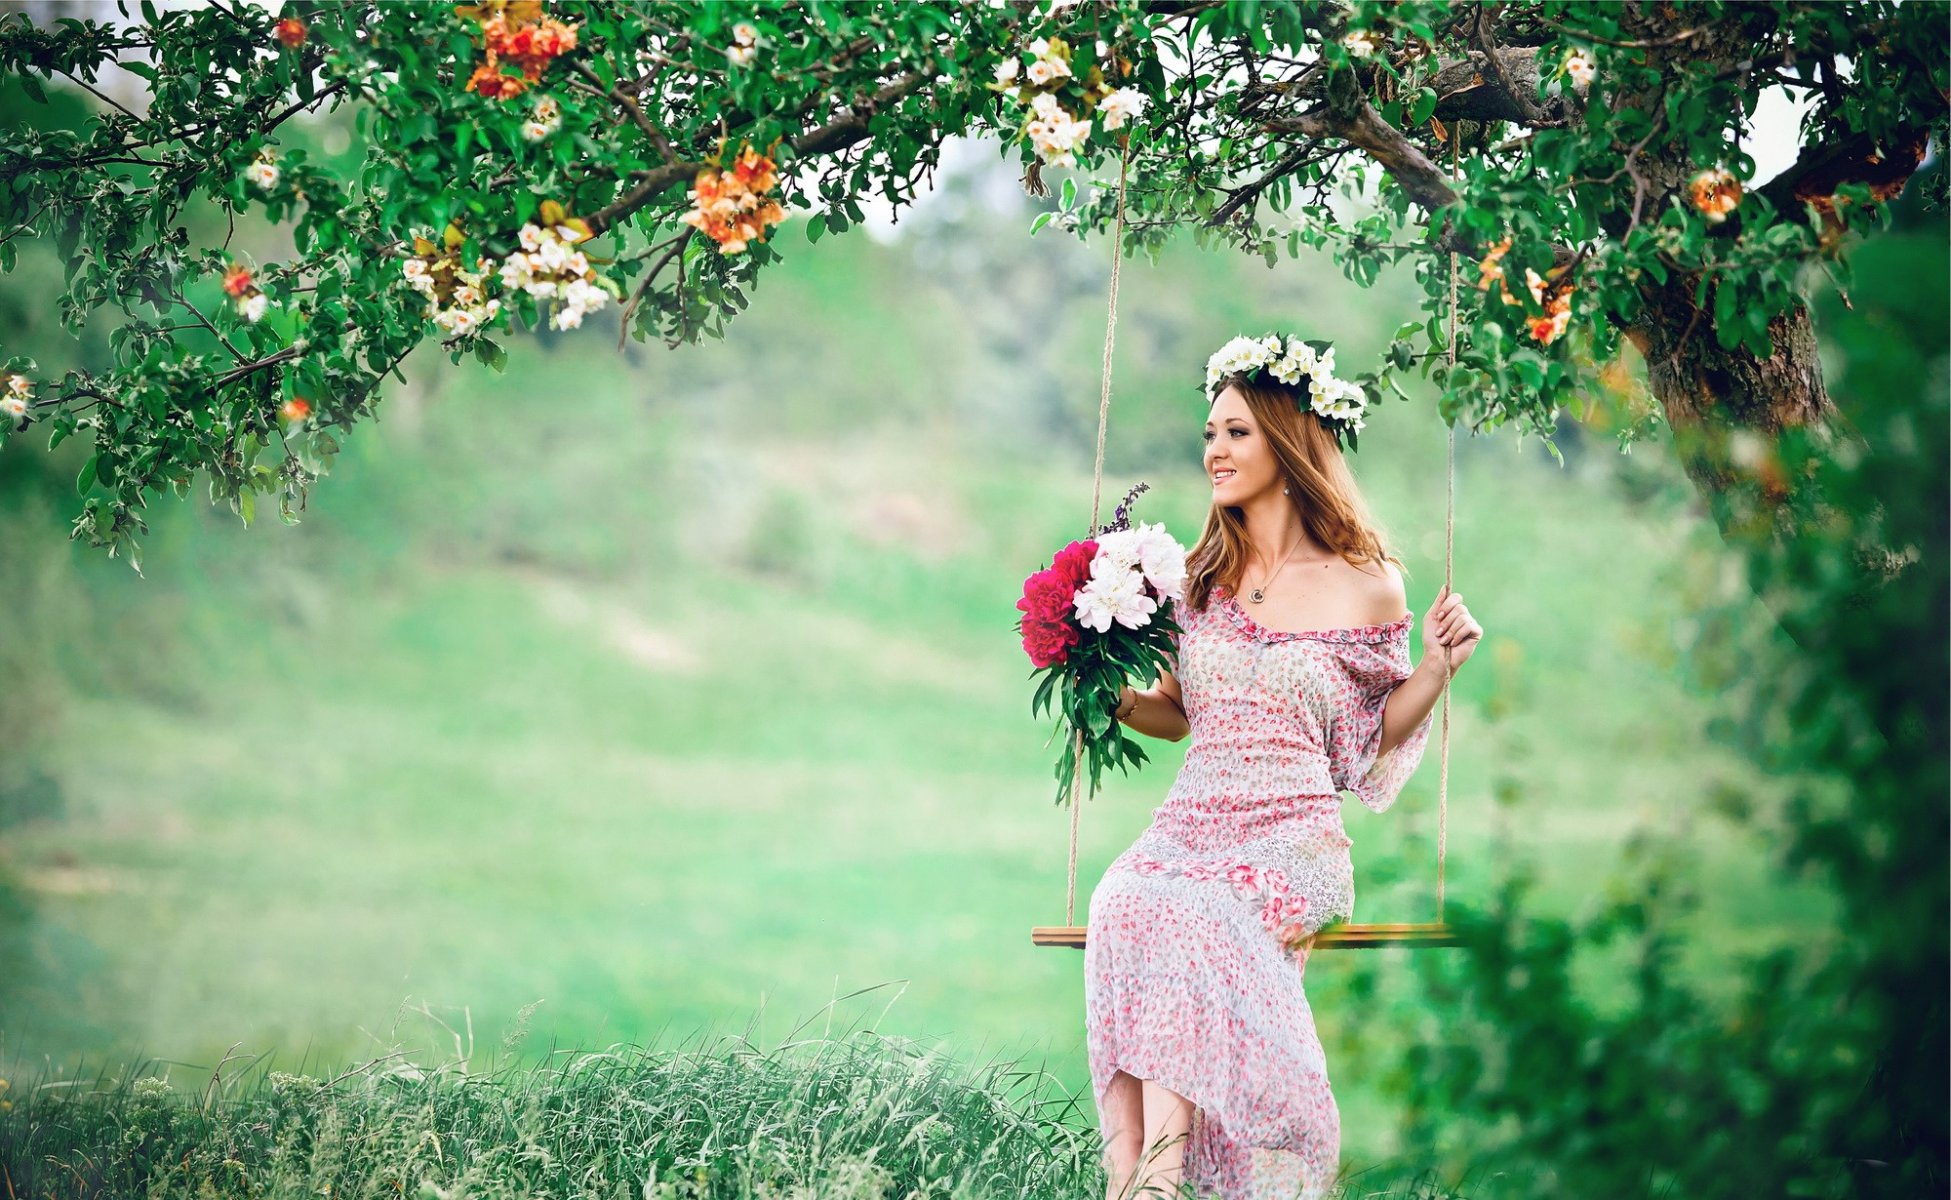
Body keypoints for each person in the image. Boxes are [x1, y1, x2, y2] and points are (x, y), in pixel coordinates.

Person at [1084, 345, 1483, 1200]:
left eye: (1235, 431)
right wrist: (1108, 697)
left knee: (1192, 908)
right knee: (1125, 897)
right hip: (1188, 821)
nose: (1212, 451)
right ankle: (1139, 1172)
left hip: (1289, 836)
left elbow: (1369, 735)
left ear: (1287, 440)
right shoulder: (1197, 583)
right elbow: (1176, 713)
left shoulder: (1366, 583)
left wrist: (1439, 668)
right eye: (1208, 433)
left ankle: (1156, 1180)